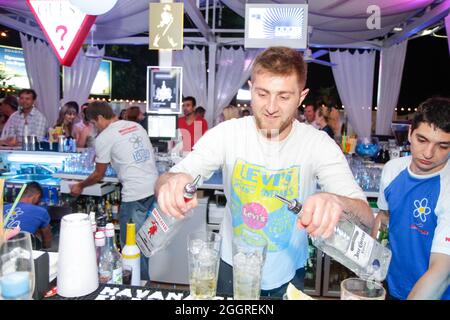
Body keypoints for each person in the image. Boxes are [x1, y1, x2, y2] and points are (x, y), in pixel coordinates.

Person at [155, 47, 373, 297]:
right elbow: (168, 178)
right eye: (262, 93)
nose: (271, 107)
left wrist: (336, 201)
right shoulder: (228, 134)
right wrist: (171, 184)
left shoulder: (318, 144)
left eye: (284, 96)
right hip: (231, 267)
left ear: (301, 97)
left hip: (289, 273)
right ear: (251, 88)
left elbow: (366, 216)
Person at [70, 101, 159, 281]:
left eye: (94, 124)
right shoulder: (134, 126)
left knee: (132, 247)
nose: (94, 128)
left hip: (135, 195)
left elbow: (98, 174)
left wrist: (80, 185)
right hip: (153, 189)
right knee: (144, 243)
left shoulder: (104, 137)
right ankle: (143, 283)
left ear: (101, 118)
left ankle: (138, 288)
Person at [372, 97, 450, 300]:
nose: (428, 153)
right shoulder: (392, 170)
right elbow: (384, 218)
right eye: (422, 140)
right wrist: (371, 264)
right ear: (409, 133)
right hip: (392, 286)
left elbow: (442, 271)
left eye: (442, 146)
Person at [3, 182, 52, 248]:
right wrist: (46, 250)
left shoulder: (3, 208)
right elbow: (47, 239)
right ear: (37, 196)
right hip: (22, 250)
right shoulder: (41, 211)